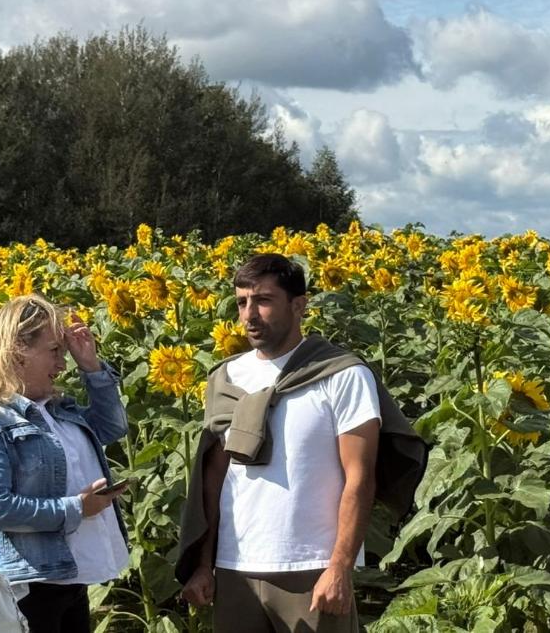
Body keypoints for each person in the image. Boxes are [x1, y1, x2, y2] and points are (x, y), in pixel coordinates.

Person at [176, 253, 425, 633]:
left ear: (299, 305)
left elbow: (359, 478)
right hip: (235, 567)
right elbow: (213, 480)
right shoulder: (226, 380)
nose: (249, 315)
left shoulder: (342, 374)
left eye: (263, 300)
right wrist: (203, 563)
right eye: (242, 302)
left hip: (311, 568)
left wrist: (339, 567)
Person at [0, 294, 130, 633]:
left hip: (69, 580)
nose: (62, 364)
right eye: (54, 351)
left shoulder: (57, 411)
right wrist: (77, 508)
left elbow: (113, 427)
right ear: (17, 351)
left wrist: (91, 365)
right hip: (25, 588)